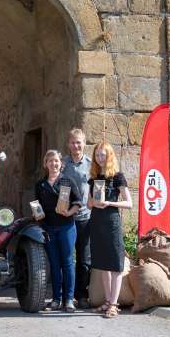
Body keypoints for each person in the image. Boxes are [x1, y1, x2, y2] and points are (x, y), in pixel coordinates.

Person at [87, 141, 132, 319]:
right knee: (102, 265)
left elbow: (129, 203)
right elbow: (89, 204)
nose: (99, 158)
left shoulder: (118, 177)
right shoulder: (93, 179)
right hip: (96, 223)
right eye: (97, 155)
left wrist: (109, 203)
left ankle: (114, 304)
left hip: (112, 223)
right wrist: (93, 203)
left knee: (115, 265)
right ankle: (107, 301)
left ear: (109, 155)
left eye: (102, 155)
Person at [34, 150, 82, 312]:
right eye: (50, 161)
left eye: (56, 161)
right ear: (45, 164)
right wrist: (37, 215)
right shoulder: (40, 185)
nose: (53, 164)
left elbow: (77, 202)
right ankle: (56, 299)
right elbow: (38, 206)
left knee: (67, 263)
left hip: (66, 227)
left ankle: (68, 299)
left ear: (61, 163)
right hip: (48, 228)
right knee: (54, 264)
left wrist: (69, 212)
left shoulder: (68, 181)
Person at [61, 128, 92, 309]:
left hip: (84, 218)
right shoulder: (62, 164)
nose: (76, 145)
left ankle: (82, 295)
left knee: (84, 259)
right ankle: (67, 296)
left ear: (84, 143)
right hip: (65, 217)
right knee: (66, 258)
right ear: (68, 144)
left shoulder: (90, 164)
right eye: (73, 142)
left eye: (79, 142)